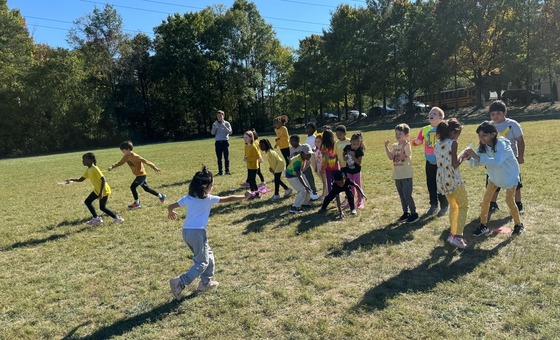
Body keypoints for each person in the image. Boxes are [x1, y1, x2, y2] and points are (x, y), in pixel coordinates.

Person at [167, 166, 252, 300]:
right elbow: (228, 199)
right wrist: (245, 196)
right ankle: (180, 282)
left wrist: (171, 212)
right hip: (198, 233)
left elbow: (170, 206)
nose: (212, 187)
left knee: (209, 255)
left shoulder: (188, 198)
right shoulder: (208, 199)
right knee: (202, 262)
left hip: (187, 232)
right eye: (212, 185)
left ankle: (205, 283)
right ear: (206, 187)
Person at [465, 122, 524, 236]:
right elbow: (474, 163)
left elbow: (497, 161)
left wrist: (476, 157)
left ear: (493, 134)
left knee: (509, 201)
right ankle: (483, 225)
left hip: (509, 177)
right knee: (486, 200)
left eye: (484, 135)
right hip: (494, 177)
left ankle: (518, 225)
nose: (481, 138)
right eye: (479, 136)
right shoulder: (482, 146)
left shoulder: (502, 144)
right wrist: (468, 158)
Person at [434, 119, 469, 249]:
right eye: (459, 133)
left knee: (454, 207)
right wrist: (464, 156)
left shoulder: (437, 144)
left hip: (442, 180)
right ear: (454, 132)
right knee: (463, 206)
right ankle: (458, 237)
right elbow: (455, 164)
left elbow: (446, 160)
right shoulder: (453, 143)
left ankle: (452, 235)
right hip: (453, 179)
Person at [488, 100, 525, 214]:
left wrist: (521, 156)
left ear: (505, 112)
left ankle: (518, 204)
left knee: (515, 184)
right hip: (495, 161)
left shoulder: (513, 124)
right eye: (493, 114)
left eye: (498, 113)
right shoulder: (489, 126)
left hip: (511, 162)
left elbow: (520, 141)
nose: (495, 116)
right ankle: (493, 204)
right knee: (493, 183)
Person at [66, 152, 124, 225]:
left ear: (90, 161)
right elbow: (81, 179)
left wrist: (101, 193)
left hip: (103, 190)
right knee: (88, 202)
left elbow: (103, 179)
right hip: (97, 190)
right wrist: (71, 180)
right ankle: (96, 218)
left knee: (102, 207)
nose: (82, 161)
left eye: (84, 159)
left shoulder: (95, 168)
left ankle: (117, 218)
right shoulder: (89, 169)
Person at [412, 107, 449, 217]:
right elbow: (419, 140)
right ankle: (433, 205)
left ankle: (444, 205)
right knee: (431, 184)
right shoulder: (425, 129)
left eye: (434, 113)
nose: (431, 115)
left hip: (441, 163)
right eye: (430, 113)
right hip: (429, 162)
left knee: (441, 185)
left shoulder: (444, 128)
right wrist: (415, 142)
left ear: (441, 118)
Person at [108, 140, 166, 209]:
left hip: (141, 175)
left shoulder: (135, 156)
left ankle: (137, 203)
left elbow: (146, 161)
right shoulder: (126, 156)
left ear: (128, 149)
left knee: (133, 187)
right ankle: (161, 196)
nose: (122, 152)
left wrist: (154, 167)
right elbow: (120, 163)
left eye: (123, 150)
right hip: (138, 175)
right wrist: (112, 166)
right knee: (146, 189)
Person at [384, 124, 419, 224]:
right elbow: (391, 157)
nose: (397, 135)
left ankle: (414, 214)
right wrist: (386, 147)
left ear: (406, 135)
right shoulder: (395, 146)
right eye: (396, 133)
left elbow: (403, 156)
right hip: (397, 175)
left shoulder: (407, 145)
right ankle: (405, 213)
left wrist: (404, 146)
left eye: (400, 133)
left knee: (407, 195)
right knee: (402, 196)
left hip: (406, 175)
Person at [285, 143, 314, 213]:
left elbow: (300, 173)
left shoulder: (303, 158)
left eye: (310, 154)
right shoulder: (297, 161)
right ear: (302, 153)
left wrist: (307, 186)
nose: (309, 156)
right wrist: (305, 186)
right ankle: (294, 207)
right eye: (308, 154)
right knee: (302, 190)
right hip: (291, 176)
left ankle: (304, 203)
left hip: (298, 174)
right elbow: (299, 175)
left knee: (308, 188)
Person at [290, 134, 318, 200]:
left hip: (306, 167)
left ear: (298, 141)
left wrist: (298, 154)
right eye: (290, 141)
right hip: (299, 169)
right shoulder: (291, 149)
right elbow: (291, 158)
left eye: (293, 141)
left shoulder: (303, 146)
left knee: (310, 180)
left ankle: (314, 192)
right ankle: (306, 194)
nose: (292, 143)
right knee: (303, 182)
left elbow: (308, 153)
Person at [343, 133, 366, 209]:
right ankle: (351, 201)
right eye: (354, 144)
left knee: (357, 186)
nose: (356, 146)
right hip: (349, 171)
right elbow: (344, 154)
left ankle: (360, 201)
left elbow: (359, 162)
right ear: (350, 142)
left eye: (358, 144)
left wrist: (353, 156)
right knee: (350, 187)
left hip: (356, 171)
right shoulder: (347, 147)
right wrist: (345, 157)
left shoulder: (359, 151)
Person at [211, 110, 233, 176]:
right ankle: (220, 172)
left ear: (223, 116)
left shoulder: (227, 123)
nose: (219, 117)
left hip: (225, 142)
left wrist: (224, 126)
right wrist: (214, 127)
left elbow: (230, 132)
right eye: (218, 116)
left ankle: (227, 171)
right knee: (219, 158)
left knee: (226, 157)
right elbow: (212, 133)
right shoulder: (215, 124)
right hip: (218, 143)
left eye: (220, 116)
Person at [243, 130, 261, 199]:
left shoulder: (253, 146)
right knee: (250, 181)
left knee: (253, 181)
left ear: (251, 138)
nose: (245, 139)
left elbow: (257, 156)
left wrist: (249, 159)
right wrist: (245, 158)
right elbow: (246, 154)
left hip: (254, 166)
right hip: (249, 166)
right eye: (244, 137)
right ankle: (252, 193)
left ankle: (257, 194)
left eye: (246, 137)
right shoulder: (246, 146)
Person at [321, 129, 340, 193]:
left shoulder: (324, 145)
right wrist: (336, 162)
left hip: (328, 166)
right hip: (335, 165)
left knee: (329, 181)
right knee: (335, 180)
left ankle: (331, 193)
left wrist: (324, 166)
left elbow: (326, 156)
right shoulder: (334, 144)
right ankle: (337, 192)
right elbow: (337, 154)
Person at [304, 123, 319, 200]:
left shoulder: (314, 137)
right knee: (308, 173)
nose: (307, 130)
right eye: (307, 128)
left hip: (314, 157)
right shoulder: (308, 138)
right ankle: (312, 191)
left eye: (309, 128)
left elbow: (316, 147)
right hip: (308, 157)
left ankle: (314, 192)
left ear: (313, 129)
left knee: (319, 174)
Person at [312, 133, 328, 200]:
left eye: (319, 141)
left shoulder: (323, 150)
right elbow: (316, 159)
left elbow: (325, 160)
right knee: (323, 181)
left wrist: (323, 168)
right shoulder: (316, 150)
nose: (317, 143)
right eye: (316, 141)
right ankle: (327, 192)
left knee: (324, 181)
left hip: (323, 168)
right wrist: (315, 167)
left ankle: (323, 195)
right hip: (319, 168)